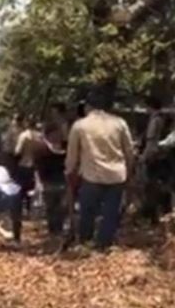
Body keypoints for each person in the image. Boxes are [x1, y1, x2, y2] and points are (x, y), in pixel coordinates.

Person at [65, 83, 136, 250]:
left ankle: (85, 242)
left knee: (87, 212)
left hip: (92, 175)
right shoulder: (119, 123)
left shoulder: (80, 125)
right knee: (110, 213)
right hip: (117, 175)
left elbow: (72, 155)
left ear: (88, 106)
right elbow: (129, 151)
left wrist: (69, 172)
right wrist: (130, 171)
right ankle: (104, 244)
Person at [140, 95, 170, 226]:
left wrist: (144, 156)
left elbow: (151, 141)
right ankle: (165, 211)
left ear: (150, 107)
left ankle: (151, 215)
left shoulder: (155, 120)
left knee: (150, 186)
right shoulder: (165, 118)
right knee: (162, 185)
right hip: (164, 156)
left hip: (153, 157)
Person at [35, 121, 68, 236]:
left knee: (63, 207)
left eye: (58, 133)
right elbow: (38, 167)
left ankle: (59, 228)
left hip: (64, 181)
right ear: (49, 134)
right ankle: (53, 230)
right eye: (55, 133)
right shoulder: (41, 148)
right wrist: (39, 182)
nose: (57, 136)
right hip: (48, 182)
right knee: (51, 207)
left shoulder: (66, 146)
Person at [13, 118, 41, 217]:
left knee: (22, 188)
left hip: (24, 164)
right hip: (36, 165)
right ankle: (30, 209)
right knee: (32, 189)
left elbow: (17, 151)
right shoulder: (39, 136)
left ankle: (22, 210)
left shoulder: (24, 136)